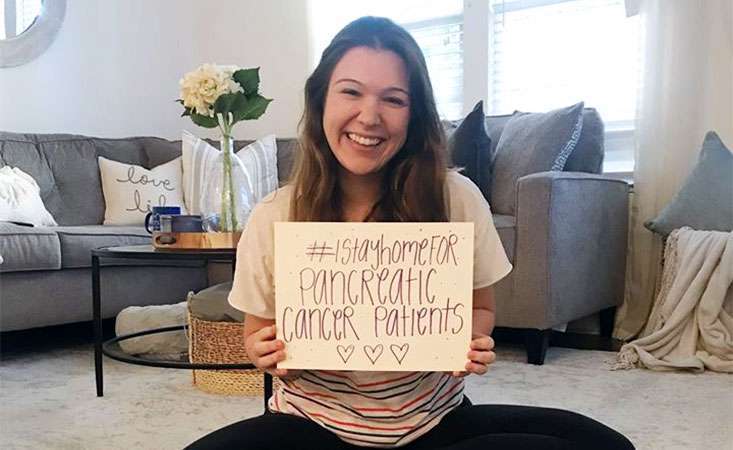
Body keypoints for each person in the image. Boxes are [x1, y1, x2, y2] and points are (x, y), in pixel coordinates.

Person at [185, 16, 635, 450]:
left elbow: (481, 307)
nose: (369, 116)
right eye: (351, 92)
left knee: (605, 444)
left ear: (414, 114)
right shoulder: (275, 215)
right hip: (311, 425)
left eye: (394, 99)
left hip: (434, 423)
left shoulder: (456, 198)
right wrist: (267, 355)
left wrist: (468, 342)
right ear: (322, 100)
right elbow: (256, 332)